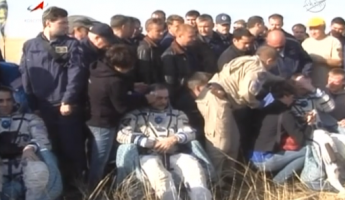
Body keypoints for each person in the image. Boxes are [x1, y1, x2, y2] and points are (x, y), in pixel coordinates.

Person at [19, 6, 86, 188]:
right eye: (62, 22)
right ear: (48, 23)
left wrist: (68, 99)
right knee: (48, 149)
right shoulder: (30, 45)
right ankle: (53, 188)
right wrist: (33, 106)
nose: (66, 26)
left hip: (64, 107)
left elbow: (76, 73)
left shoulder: (72, 45)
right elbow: (25, 75)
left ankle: (76, 188)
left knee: (71, 149)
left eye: (66, 22)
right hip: (42, 108)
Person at [196, 46, 280, 178]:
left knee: (233, 142)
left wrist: (282, 80)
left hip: (221, 100)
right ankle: (214, 181)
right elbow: (246, 92)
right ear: (269, 61)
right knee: (220, 144)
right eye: (274, 63)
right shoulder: (257, 70)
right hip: (216, 100)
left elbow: (267, 76)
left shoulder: (246, 61)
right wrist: (256, 104)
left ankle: (228, 177)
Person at [116, 84, 212, 200]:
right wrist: (147, 142)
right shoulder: (135, 115)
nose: (163, 101)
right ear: (149, 97)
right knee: (161, 177)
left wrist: (173, 139)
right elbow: (122, 134)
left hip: (174, 153)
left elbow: (190, 132)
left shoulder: (178, 114)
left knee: (195, 171)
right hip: (148, 155)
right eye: (159, 98)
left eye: (166, 98)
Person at [87, 44, 155, 190]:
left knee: (102, 157)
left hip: (95, 118)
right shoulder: (114, 81)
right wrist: (144, 98)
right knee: (100, 160)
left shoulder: (98, 70)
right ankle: (94, 190)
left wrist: (131, 89)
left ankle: (105, 185)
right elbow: (121, 106)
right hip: (104, 122)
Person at [0, 86, 60, 199]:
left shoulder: (30, 118)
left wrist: (31, 147)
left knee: (38, 172)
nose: (5, 104)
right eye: (1, 101)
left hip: (24, 163)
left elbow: (42, 139)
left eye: (8, 100)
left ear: (14, 100)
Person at [250, 81, 308, 184]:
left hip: (252, 157)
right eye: (292, 97)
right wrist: (310, 124)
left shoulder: (266, 109)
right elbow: (300, 139)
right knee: (306, 152)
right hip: (265, 160)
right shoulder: (284, 113)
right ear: (285, 96)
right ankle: (278, 182)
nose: (293, 100)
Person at [302, 17, 343, 90]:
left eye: (316, 29)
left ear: (323, 28)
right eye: (311, 29)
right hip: (309, 84)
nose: (313, 32)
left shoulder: (333, 41)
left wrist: (322, 60)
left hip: (326, 84)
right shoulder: (305, 43)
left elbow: (338, 62)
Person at [136, 18, 165, 84]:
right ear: (148, 30)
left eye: (162, 30)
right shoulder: (144, 47)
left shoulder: (157, 45)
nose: (161, 33)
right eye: (158, 31)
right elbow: (144, 71)